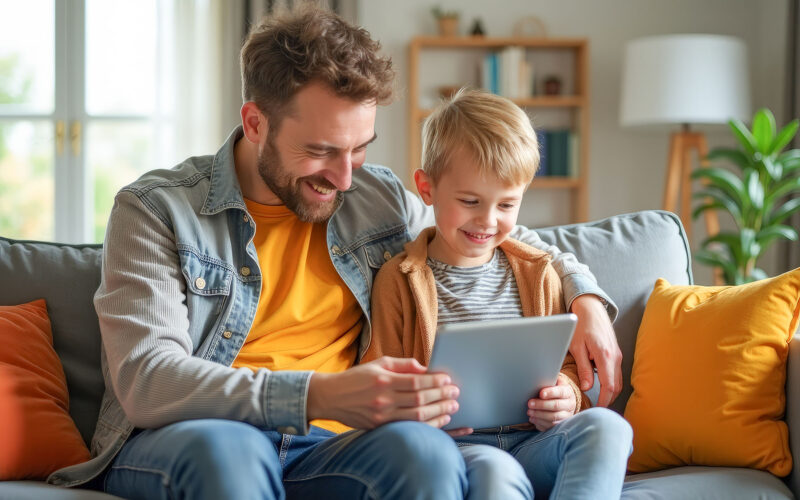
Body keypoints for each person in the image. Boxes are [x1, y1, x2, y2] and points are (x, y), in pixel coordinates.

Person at [52, 5, 621, 499]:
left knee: (427, 455)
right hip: (193, 436)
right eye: (322, 151)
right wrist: (318, 393)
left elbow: (491, 229)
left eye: (359, 149)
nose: (346, 178)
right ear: (255, 123)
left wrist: (585, 296)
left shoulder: (378, 198)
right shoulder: (155, 210)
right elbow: (149, 382)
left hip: (329, 445)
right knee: (231, 454)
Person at [363, 88, 632, 499]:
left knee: (610, 426)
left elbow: (569, 371)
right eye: (470, 200)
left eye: (507, 205)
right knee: (495, 473)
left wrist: (567, 395)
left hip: (536, 442)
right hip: (459, 448)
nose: (487, 220)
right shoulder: (398, 281)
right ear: (427, 188)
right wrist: (418, 417)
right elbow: (380, 380)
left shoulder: (538, 273)